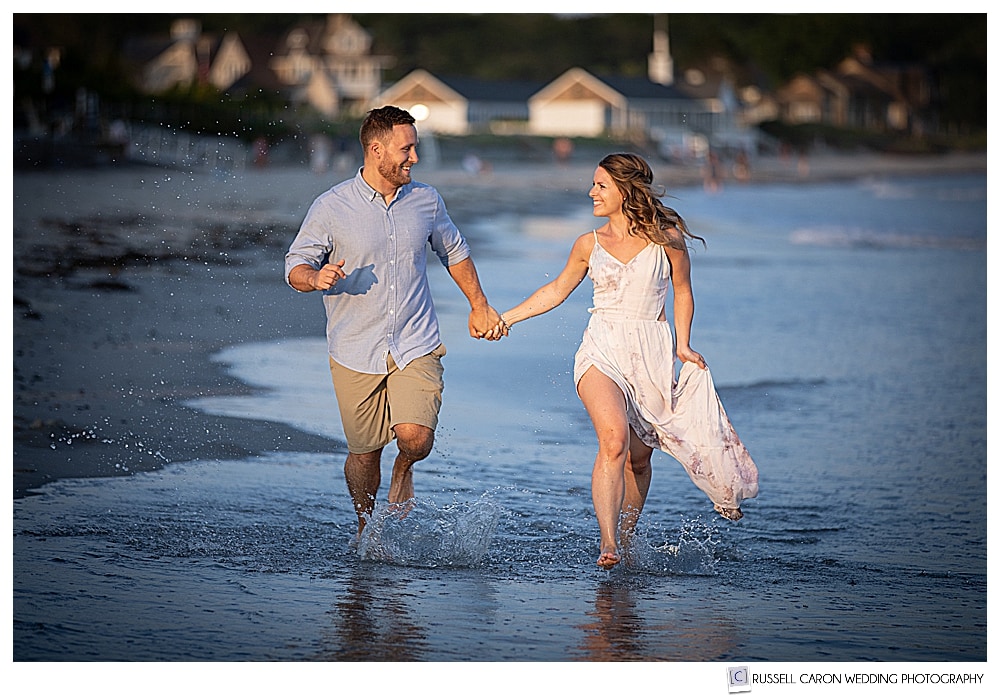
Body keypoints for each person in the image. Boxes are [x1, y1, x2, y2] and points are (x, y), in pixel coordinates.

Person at [488, 153, 758, 569]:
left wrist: (683, 346)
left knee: (638, 457)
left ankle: (627, 537)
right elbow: (557, 290)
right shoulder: (588, 244)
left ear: (624, 190)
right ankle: (609, 542)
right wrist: (504, 319)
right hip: (602, 351)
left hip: (650, 353)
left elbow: (682, 291)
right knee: (613, 439)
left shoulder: (667, 240)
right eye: (593, 185)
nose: (591, 192)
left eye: (600, 185)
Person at [285, 105, 501, 540]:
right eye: (407, 149)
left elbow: (454, 252)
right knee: (364, 455)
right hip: (353, 347)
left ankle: (404, 468)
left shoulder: (426, 200)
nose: (414, 159)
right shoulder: (331, 206)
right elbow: (295, 264)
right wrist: (315, 277)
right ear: (376, 149)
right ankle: (368, 530)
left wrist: (480, 305)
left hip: (415, 341)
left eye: (414, 149)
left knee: (415, 438)